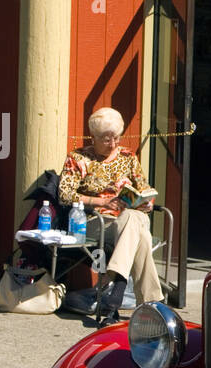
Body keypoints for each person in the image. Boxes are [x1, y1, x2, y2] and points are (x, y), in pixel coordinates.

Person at [58, 107, 164, 325]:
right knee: (140, 237)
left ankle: (114, 292)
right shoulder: (78, 158)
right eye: (106, 139)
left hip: (130, 217)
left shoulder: (128, 157)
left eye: (116, 138)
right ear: (93, 137)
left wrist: (146, 202)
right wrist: (101, 201)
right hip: (97, 221)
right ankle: (150, 306)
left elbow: (143, 187)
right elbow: (65, 194)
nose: (113, 144)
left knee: (133, 219)